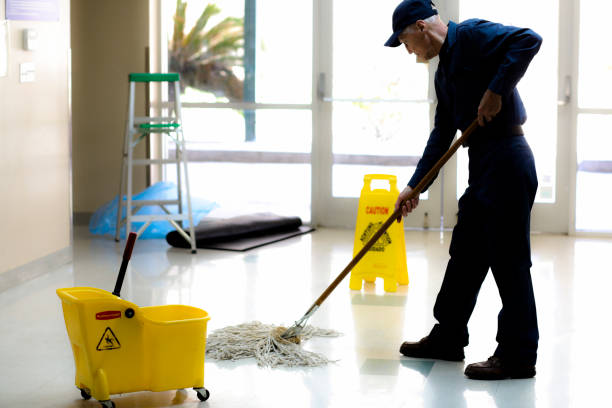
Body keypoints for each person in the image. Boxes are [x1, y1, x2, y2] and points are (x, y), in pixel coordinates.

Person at [384, 0, 542, 380]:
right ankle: (448, 337)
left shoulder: (472, 36)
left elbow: (528, 40)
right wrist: (414, 187)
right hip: (484, 162)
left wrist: (496, 90)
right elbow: (442, 134)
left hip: (508, 157)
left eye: (406, 42)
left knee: (509, 260)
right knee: (466, 253)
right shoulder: (444, 73)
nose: (409, 52)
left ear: (421, 27)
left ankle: (518, 356)